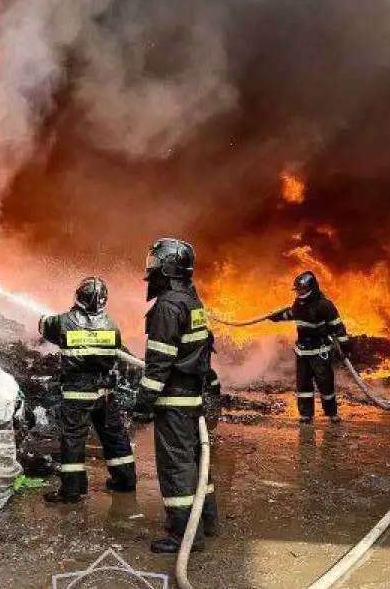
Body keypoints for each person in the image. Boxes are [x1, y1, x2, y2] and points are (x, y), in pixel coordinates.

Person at [134, 237, 219, 554]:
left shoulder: (168, 306)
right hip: (191, 397)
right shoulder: (191, 301)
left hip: (173, 400)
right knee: (196, 463)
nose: (150, 270)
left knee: (176, 466)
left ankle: (184, 534)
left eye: (154, 263)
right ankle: (205, 522)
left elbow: (159, 363)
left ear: (167, 267)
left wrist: (143, 404)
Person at [38, 277, 136, 503]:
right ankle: (125, 480)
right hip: (105, 393)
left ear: (78, 296)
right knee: (114, 436)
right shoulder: (111, 326)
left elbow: (43, 326)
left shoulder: (62, 322)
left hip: (77, 394)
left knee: (73, 440)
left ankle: (72, 491)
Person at [266, 270, 351, 423]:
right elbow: (291, 314)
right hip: (303, 353)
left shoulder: (324, 305)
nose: (299, 292)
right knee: (303, 385)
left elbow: (338, 327)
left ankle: (332, 413)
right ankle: (306, 415)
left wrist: (345, 347)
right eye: (298, 289)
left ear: (311, 287)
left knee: (326, 385)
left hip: (320, 352)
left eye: (302, 289)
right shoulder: (298, 304)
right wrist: (276, 317)